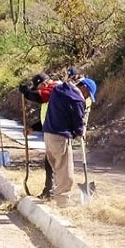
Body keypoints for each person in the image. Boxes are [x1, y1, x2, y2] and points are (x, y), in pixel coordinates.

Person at [38, 76, 97, 207]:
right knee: (66, 174)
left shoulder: (58, 89)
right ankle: (63, 204)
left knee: (57, 169)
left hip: (48, 135)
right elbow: (78, 121)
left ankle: (56, 197)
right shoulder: (77, 99)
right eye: (88, 95)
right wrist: (80, 132)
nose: (87, 98)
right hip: (60, 137)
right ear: (84, 88)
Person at [19, 72, 56, 199]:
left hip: (57, 134)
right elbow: (46, 119)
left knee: (55, 164)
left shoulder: (54, 88)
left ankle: (54, 192)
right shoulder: (48, 96)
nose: (39, 91)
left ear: (44, 83)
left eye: (39, 88)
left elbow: (40, 97)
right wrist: (32, 128)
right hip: (51, 133)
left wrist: (27, 93)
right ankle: (49, 190)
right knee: (49, 163)